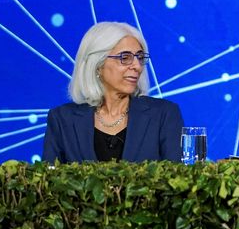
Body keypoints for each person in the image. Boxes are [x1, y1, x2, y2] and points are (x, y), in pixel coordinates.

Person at [41, 22, 184, 163]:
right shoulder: (62, 120)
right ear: (98, 64)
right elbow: (48, 182)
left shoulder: (164, 115)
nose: (137, 66)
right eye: (125, 58)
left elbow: (177, 178)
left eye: (140, 58)